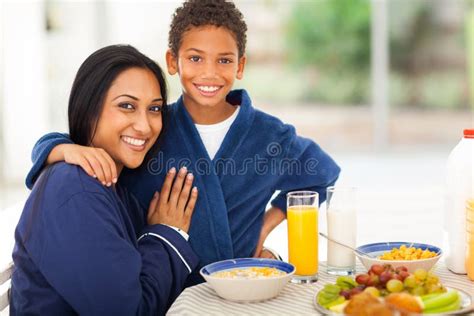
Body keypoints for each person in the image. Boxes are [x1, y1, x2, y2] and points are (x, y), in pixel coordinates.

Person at [25, 0, 340, 286]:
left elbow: (322, 173)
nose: (209, 73)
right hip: (165, 293)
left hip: (244, 287)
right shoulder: (153, 128)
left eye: (224, 61)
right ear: (172, 61)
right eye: (195, 58)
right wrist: (58, 148)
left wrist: (265, 224)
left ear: (240, 66)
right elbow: (74, 140)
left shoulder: (270, 135)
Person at [11, 45, 199, 315]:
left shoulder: (110, 184)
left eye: (155, 109)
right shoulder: (74, 189)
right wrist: (168, 233)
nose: (145, 126)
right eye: (126, 106)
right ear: (88, 109)